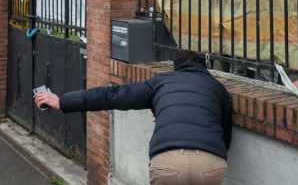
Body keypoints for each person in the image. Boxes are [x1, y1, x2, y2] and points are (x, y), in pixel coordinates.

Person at [34, 50, 232, 185]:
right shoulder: (218, 89)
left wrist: (63, 102)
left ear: (175, 67)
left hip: (168, 161)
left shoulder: (160, 83)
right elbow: (226, 136)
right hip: (209, 163)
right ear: (204, 67)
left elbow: (112, 96)